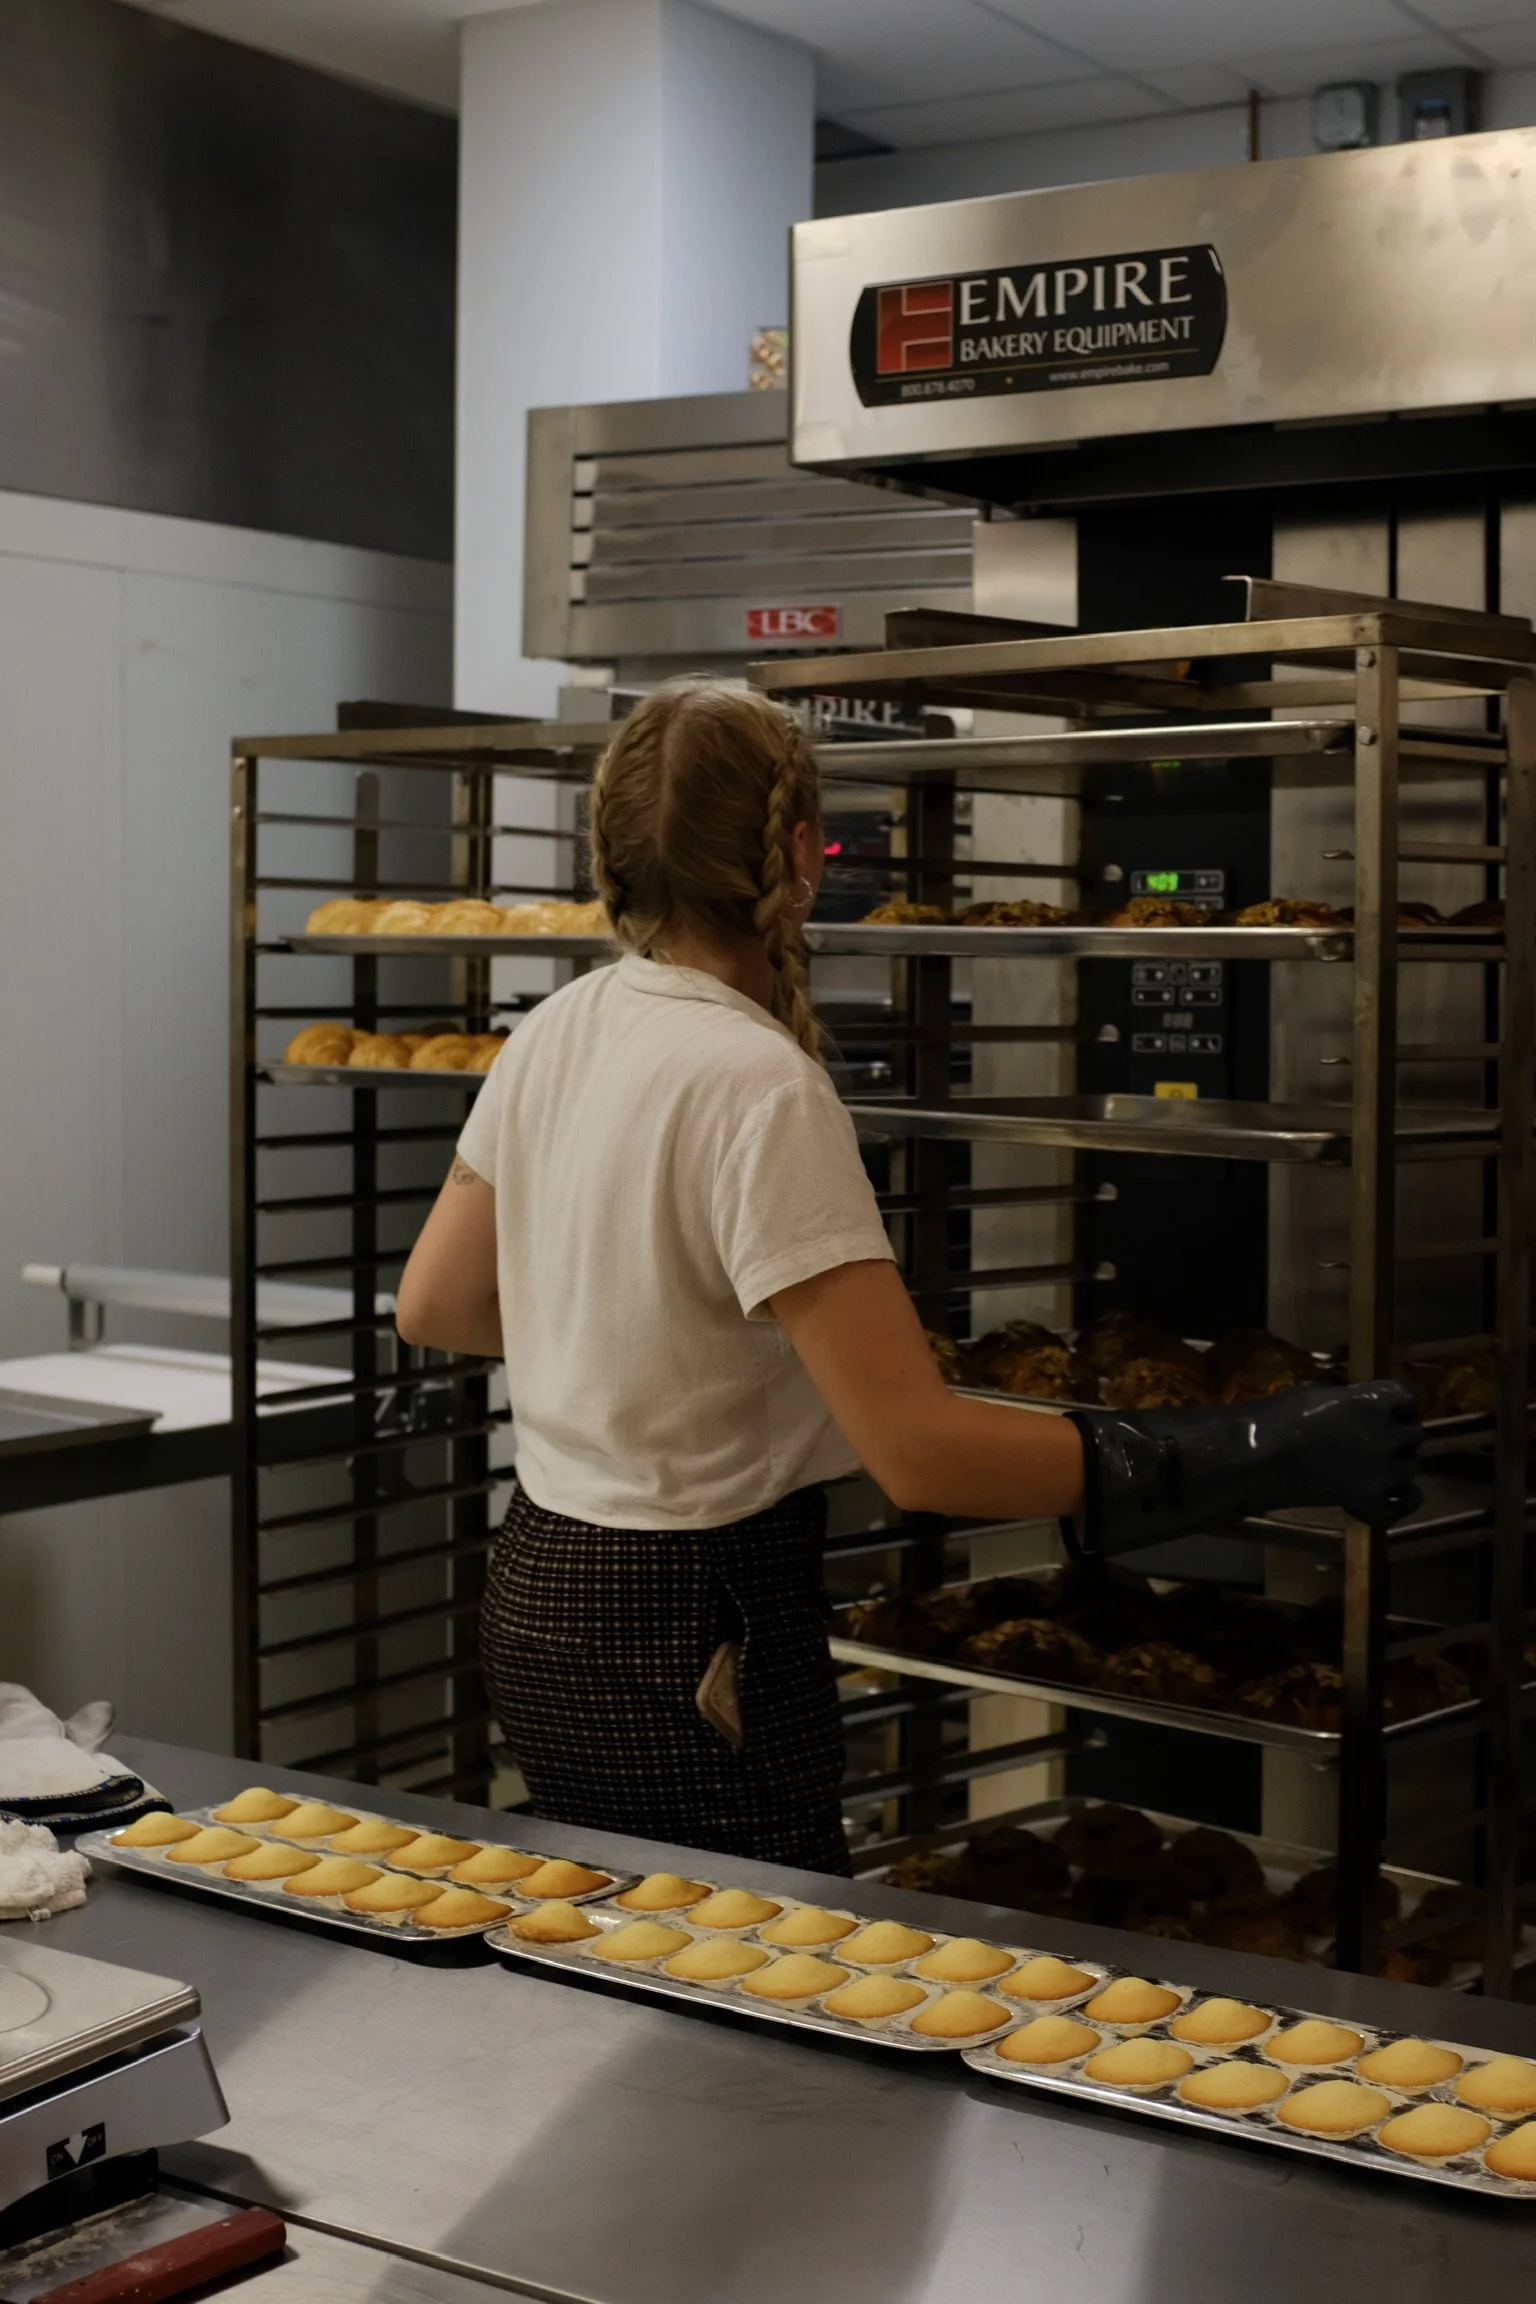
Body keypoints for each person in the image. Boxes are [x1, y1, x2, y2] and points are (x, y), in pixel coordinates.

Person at [396, 682, 1420, 1873]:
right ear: (796, 852)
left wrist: (636, 1329)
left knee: (639, 1966)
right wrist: (1252, 1447)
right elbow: (920, 1454)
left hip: (543, 1595)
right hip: (687, 1622)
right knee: (748, 1987)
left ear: (611, 850)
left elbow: (441, 1306)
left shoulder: (560, 1026)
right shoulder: (756, 1082)